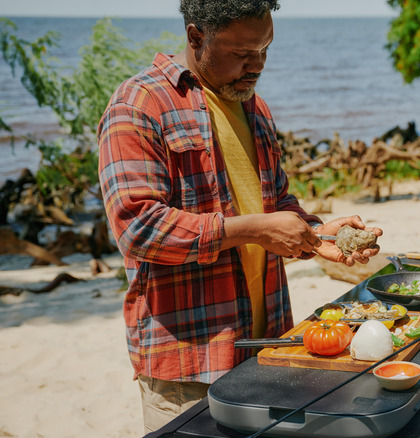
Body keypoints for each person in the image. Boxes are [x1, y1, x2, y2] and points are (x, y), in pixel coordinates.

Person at [97, 0, 382, 432]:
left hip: (268, 346)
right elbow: (138, 228)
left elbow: (275, 202)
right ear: (196, 38)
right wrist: (256, 230)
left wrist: (317, 233)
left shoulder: (254, 106)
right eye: (242, 54)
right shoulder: (139, 104)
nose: (258, 65)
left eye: (265, 49)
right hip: (191, 361)